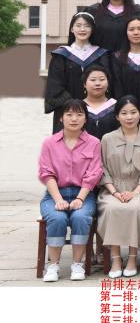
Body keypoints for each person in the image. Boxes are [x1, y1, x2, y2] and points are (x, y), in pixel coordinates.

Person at [38, 100, 103, 282]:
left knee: (80, 217)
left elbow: (94, 173)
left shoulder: (94, 143)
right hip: (54, 194)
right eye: (69, 114)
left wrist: (80, 199)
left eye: (79, 114)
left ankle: (77, 264)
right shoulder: (50, 143)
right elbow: (46, 173)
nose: (74, 119)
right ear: (61, 118)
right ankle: (53, 265)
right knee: (57, 218)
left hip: (84, 194)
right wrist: (58, 199)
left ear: (86, 119)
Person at [97, 96, 140, 279]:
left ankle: (132, 257)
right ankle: (116, 258)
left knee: (135, 208)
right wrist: (115, 192)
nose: (129, 117)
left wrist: (135, 192)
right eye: (124, 113)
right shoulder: (107, 139)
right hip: (112, 189)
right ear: (117, 116)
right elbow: (102, 168)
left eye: (133, 112)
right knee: (112, 208)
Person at [46, 12, 111, 131]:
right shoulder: (61, 55)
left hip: (97, 109)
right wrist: (74, 106)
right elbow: (55, 85)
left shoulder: (101, 54)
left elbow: (107, 82)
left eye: (87, 26)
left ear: (92, 29)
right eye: (78, 25)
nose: (82, 29)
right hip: (68, 110)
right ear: (72, 29)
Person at [82, 65, 119, 139]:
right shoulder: (78, 107)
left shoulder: (117, 106)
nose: (97, 83)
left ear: (108, 83)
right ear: (84, 84)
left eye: (102, 79)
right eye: (93, 80)